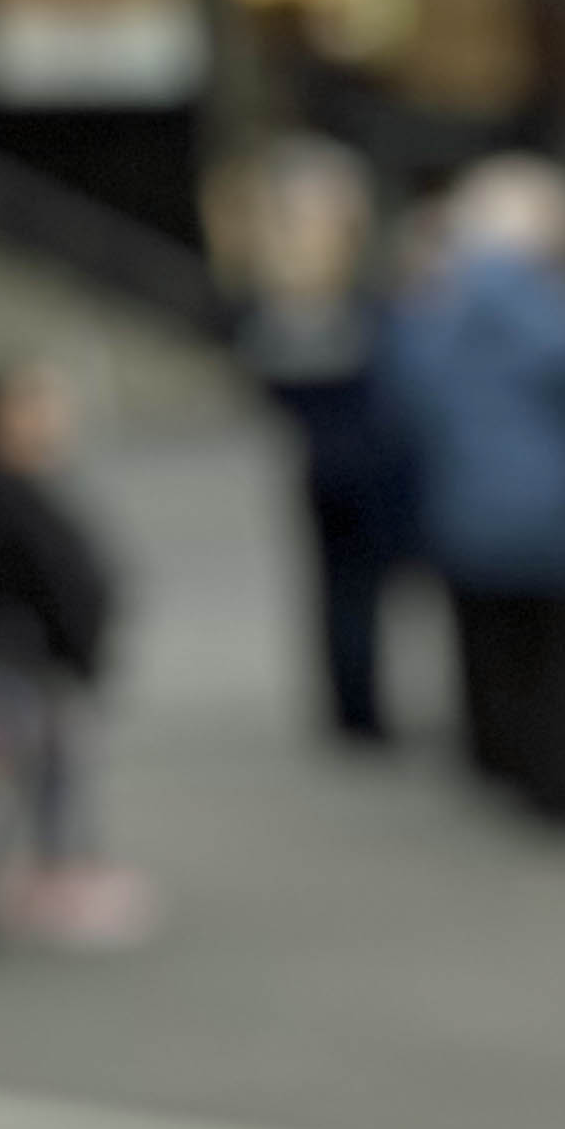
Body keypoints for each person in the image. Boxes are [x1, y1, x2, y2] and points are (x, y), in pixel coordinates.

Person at [384, 155, 565, 830]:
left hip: (466, 491)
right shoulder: (539, 298)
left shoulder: (438, 295)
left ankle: (500, 762)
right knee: (562, 655)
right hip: (547, 499)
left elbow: (408, 392)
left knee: (489, 641)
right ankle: (562, 789)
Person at [0, 365, 146, 949]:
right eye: (33, 409)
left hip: (48, 664)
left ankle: (46, 870)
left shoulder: (31, 487)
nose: (53, 424)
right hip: (21, 666)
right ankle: (44, 876)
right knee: (27, 776)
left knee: (52, 776)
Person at [235, 137, 409, 749]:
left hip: (340, 461)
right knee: (349, 593)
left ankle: (355, 705)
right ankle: (356, 710)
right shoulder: (306, 298)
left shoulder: (330, 289)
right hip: (346, 465)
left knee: (350, 593)